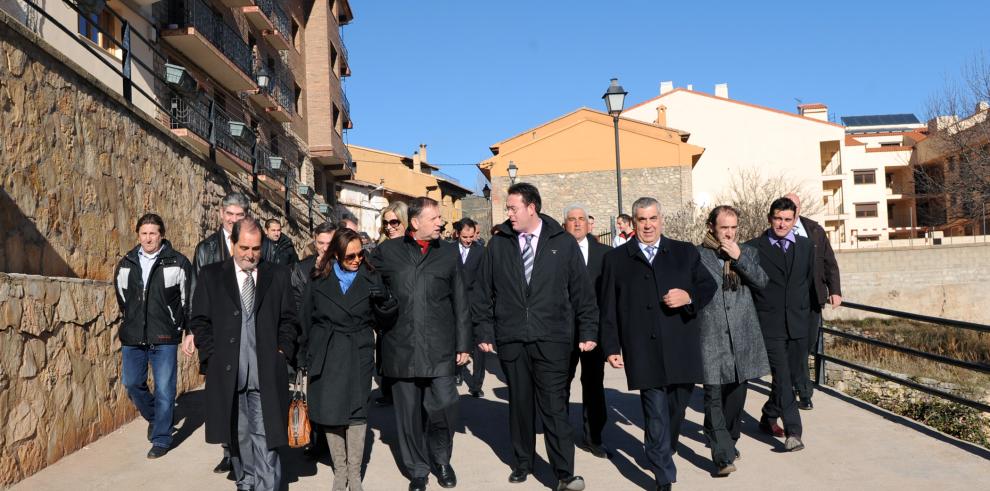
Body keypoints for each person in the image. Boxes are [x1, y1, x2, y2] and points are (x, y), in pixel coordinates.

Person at [473, 183, 598, 491]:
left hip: (553, 339)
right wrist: (485, 330)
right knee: (520, 404)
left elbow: (582, 293)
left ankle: (564, 473)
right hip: (513, 339)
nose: (509, 214)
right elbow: (482, 293)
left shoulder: (562, 243)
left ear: (532, 208)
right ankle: (523, 462)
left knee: (554, 406)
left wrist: (588, 330)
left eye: (513, 208)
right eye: (508, 209)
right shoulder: (499, 244)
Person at [599, 197, 717, 491]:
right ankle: (663, 473)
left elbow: (708, 285)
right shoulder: (616, 259)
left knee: (677, 406)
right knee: (655, 410)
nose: (648, 225)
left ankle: (665, 445)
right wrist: (611, 347)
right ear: (633, 222)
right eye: (642, 220)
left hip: (681, 345)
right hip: (642, 347)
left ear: (660, 220)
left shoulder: (684, 252)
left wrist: (687, 296)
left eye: (653, 219)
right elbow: (608, 307)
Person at [368, 197, 471, 491]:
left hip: (440, 346)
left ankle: (441, 459)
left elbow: (461, 301)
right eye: (435, 218)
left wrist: (464, 344)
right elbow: (371, 289)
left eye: (440, 218)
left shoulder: (449, 253)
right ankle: (418, 469)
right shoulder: (387, 252)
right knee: (408, 415)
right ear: (415, 223)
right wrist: (381, 309)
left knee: (446, 405)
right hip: (401, 346)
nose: (441, 222)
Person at [189, 217, 298, 491]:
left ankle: (266, 486)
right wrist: (213, 355)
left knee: (265, 434)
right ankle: (245, 481)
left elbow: (289, 319)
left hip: (266, 372)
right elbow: (200, 320)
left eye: (256, 249)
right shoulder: (212, 276)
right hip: (228, 373)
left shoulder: (278, 275)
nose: (251, 255)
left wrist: (282, 351)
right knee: (238, 434)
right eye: (244, 248)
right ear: (233, 244)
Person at [299, 228, 399, 491]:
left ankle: (354, 474)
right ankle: (339, 470)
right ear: (336, 255)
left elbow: (385, 320)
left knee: (356, 411)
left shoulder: (371, 277)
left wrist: (385, 300)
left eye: (360, 254)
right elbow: (305, 317)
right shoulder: (319, 276)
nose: (356, 260)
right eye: (349, 256)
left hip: (358, 350)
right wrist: (302, 355)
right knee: (331, 412)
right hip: (327, 350)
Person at [189, 191, 276, 474]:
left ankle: (254, 471)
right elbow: (197, 295)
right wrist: (199, 339)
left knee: (257, 416)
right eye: (230, 214)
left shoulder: (260, 247)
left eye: (240, 215)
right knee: (229, 407)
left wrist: (281, 348)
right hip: (223, 342)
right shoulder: (206, 250)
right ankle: (232, 455)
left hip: (255, 345)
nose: (233, 219)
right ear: (221, 214)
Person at [696, 206, 770, 475]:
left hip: (742, 337)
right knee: (712, 395)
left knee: (735, 398)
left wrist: (739, 258)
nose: (729, 233)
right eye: (724, 227)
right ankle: (723, 456)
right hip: (710, 336)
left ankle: (728, 438)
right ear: (711, 227)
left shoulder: (747, 252)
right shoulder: (698, 255)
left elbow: (762, 282)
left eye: (733, 227)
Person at [113, 213, 192, 459]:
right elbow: (122, 298)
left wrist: (187, 329)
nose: (148, 238)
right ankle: (157, 418)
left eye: (153, 233)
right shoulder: (126, 263)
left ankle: (161, 438)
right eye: (144, 233)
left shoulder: (177, 262)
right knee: (132, 383)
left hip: (165, 336)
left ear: (161, 235)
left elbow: (188, 299)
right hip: (133, 336)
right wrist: (133, 320)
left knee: (166, 390)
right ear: (138, 235)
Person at [744, 197, 815, 452]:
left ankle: (768, 414)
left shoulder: (807, 246)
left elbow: (808, 284)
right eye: (777, 218)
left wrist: (811, 318)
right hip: (769, 323)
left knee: (792, 375)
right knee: (783, 377)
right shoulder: (753, 248)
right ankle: (794, 432)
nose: (782, 224)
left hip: (799, 323)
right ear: (769, 218)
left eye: (787, 219)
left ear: (795, 220)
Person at [561, 204, 612, 460]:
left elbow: (610, 296)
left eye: (581, 219)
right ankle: (560, 436)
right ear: (565, 225)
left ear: (589, 223)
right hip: (563, 332)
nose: (577, 223)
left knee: (593, 385)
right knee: (561, 385)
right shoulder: (554, 253)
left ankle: (594, 437)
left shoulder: (606, 254)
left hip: (595, 331)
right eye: (572, 220)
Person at [783, 192, 842, 410]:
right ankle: (804, 392)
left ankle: (791, 384)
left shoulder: (814, 230)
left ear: (799, 208)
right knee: (795, 346)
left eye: (795, 206)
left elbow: (829, 262)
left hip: (812, 298)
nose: (792, 210)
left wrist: (835, 290)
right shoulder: (775, 232)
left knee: (806, 345)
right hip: (788, 303)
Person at [374, 201, 409, 407]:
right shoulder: (382, 249)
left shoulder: (416, 247)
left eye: (394, 222)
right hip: (391, 314)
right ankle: (389, 392)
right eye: (386, 223)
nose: (390, 227)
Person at [453, 218, 487, 398]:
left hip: (475, 306)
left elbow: (485, 280)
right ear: (458, 234)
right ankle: (457, 373)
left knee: (479, 347)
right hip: (455, 306)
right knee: (456, 342)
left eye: (471, 236)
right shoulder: (448, 250)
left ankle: (476, 384)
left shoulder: (482, 252)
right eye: (464, 236)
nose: (468, 240)